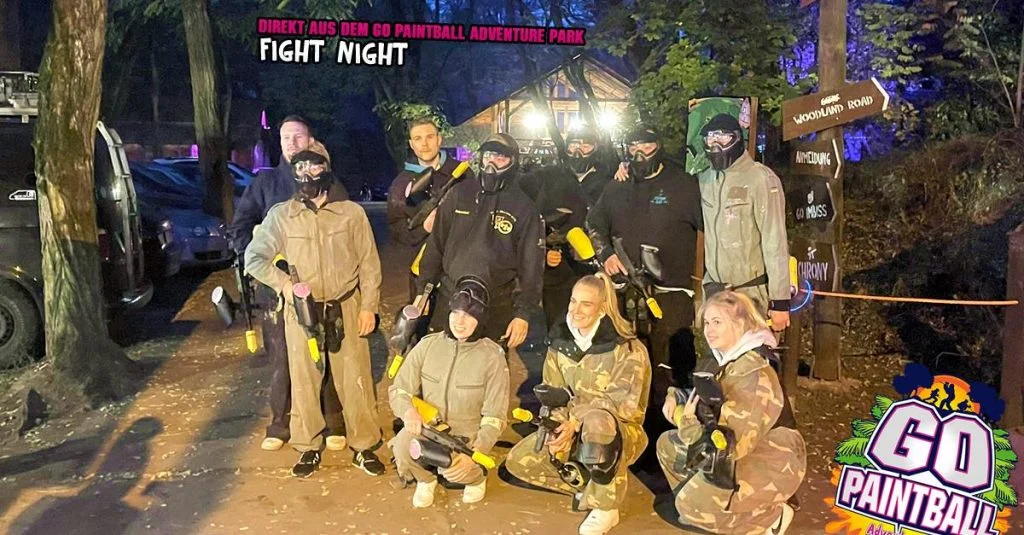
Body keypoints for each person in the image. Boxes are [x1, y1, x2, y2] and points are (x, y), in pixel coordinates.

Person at [245, 148, 386, 478]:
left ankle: (364, 446)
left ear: (327, 171)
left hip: (345, 306)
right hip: (302, 311)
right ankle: (307, 446)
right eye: (300, 170)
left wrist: (369, 307)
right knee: (304, 379)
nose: (307, 176)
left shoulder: (350, 213)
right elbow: (254, 258)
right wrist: (284, 285)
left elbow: (369, 264)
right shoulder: (283, 215)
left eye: (314, 168)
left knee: (355, 378)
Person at [228, 116, 347, 452]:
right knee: (282, 358)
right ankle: (280, 424)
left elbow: (345, 230)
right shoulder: (265, 183)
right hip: (279, 292)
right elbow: (240, 229)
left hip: (323, 286)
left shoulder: (330, 182)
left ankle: (333, 420)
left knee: (327, 352)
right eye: (285, 138)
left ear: (311, 140)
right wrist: (264, 263)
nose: (292, 143)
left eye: (298, 137)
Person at [504, 273, 651, 535]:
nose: (576, 310)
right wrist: (557, 428)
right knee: (519, 461)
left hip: (619, 434)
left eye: (586, 304)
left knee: (598, 422)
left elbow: (621, 405)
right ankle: (594, 485)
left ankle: (606, 507)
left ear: (602, 308)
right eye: (573, 301)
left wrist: (575, 421)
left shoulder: (627, 348)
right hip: (573, 430)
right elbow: (554, 394)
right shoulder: (560, 343)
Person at [585, 124, 703, 443]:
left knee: (673, 367)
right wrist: (606, 254)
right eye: (633, 147)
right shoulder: (619, 185)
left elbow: (712, 228)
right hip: (627, 293)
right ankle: (628, 436)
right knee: (628, 366)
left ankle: (676, 437)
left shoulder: (684, 185)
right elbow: (595, 222)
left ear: (659, 147)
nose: (639, 154)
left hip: (672, 293)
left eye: (646, 146)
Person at [656, 290, 805, 534]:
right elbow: (707, 398)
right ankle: (719, 509)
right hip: (739, 448)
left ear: (739, 324)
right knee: (668, 445)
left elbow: (731, 447)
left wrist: (688, 422)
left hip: (774, 459)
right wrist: (677, 397)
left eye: (717, 322)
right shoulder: (723, 359)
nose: (709, 330)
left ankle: (770, 517)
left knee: (690, 508)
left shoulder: (753, 373)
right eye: (707, 323)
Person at [388, 276, 510, 507]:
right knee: (402, 446)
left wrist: (476, 451)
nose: (460, 322)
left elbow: (495, 417)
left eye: (469, 316)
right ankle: (426, 480)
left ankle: (476, 479)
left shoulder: (492, 357)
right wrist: (408, 412)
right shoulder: (428, 345)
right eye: (456, 313)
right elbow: (399, 389)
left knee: (457, 471)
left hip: (467, 436)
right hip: (429, 428)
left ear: (480, 320)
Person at [416, 133, 544, 349]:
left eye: (500, 158)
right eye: (488, 156)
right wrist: (423, 290)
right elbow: (435, 246)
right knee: (441, 357)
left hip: (496, 303)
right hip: (451, 296)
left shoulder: (524, 208)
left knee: (488, 364)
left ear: (513, 162)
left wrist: (523, 313)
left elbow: (532, 266)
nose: (492, 164)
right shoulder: (459, 194)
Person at [696, 113, 791, 332]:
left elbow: (775, 240)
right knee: (721, 352)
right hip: (716, 293)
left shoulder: (761, 178)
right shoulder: (705, 179)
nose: (716, 144)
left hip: (752, 295)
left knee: (754, 353)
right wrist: (624, 167)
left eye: (723, 137)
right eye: (710, 138)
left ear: (737, 138)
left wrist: (779, 301)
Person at [387, 116, 477, 302]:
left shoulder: (462, 173)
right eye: (418, 138)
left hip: (461, 269)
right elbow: (397, 228)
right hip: (420, 270)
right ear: (411, 144)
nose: (424, 144)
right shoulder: (401, 184)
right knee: (421, 318)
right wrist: (424, 228)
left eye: (429, 137)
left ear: (439, 139)